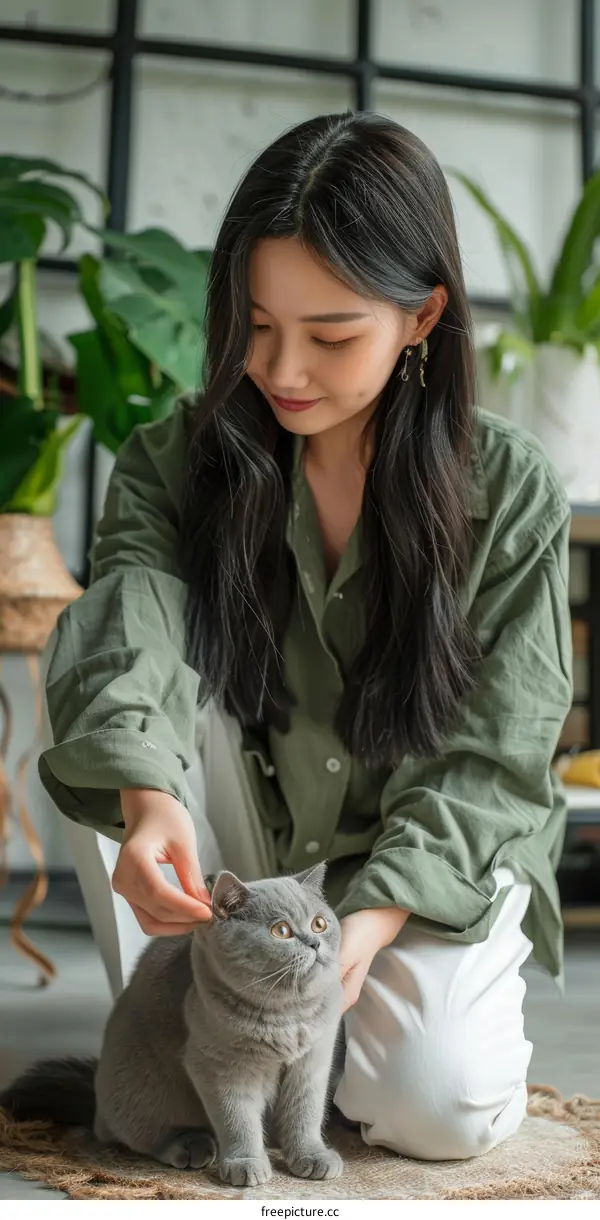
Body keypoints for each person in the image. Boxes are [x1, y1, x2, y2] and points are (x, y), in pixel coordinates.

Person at [39, 111, 573, 1162]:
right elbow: (129, 636)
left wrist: (366, 927)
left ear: (422, 316)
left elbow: (498, 750)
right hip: (235, 853)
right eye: (255, 322)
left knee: (437, 1108)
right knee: (101, 653)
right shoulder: (175, 457)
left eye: (331, 335)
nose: (280, 368)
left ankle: (331, 1039)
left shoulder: (508, 490)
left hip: (417, 856)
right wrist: (147, 802)